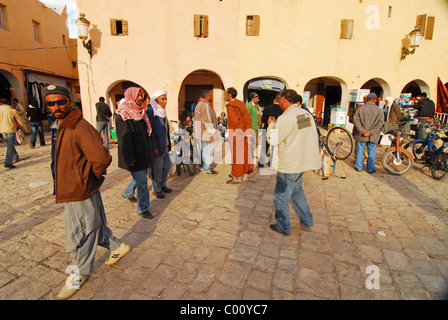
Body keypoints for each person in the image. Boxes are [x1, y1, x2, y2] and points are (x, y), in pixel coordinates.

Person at [43, 84, 130, 300]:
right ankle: (118, 246)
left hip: (79, 189)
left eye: (61, 102)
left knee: (81, 232)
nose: (56, 107)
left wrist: (91, 177)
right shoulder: (62, 124)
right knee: (94, 223)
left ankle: (80, 272)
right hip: (74, 187)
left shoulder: (78, 126)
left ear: (69, 100)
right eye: (51, 103)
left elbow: (101, 158)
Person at [266, 89, 321, 236]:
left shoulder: (286, 118)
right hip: (302, 161)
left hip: (290, 164)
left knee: (281, 197)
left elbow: (273, 139)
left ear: (284, 100)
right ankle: (307, 220)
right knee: (297, 192)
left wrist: (271, 125)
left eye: (280, 101)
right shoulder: (304, 114)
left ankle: (283, 226)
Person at [115, 87, 154, 219]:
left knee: (139, 178)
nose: (139, 98)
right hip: (134, 156)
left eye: (141, 96)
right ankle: (143, 208)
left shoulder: (141, 113)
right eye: (137, 96)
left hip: (144, 154)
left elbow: (146, 134)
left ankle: (127, 193)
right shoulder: (123, 114)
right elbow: (124, 140)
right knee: (143, 182)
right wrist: (130, 159)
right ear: (130, 96)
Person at [147, 90, 172, 199]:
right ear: (156, 100)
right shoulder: (150, 112)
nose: (165, 101)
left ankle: (163, 185)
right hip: (157, 146)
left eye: (166, 99)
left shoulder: (162, 112)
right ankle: (156, 189)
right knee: (157, 169)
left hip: (165, 145)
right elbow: (149, 131)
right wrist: (154, 147)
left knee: (166, 166)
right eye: (163, 99)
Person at [225, 87, 254, 184]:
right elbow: (247, 118)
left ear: (230, 95)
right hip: (244, 132)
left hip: (236, 133)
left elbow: (234, 121)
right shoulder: (241, 103)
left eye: (226, 94)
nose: (225, 96)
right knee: (242, 154)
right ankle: (238, 173)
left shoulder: (231, 106)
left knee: (236, 155)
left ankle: (236, 177)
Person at [353, 92, 384, 173]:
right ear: (375, 100)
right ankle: (370, 169)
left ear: (367, 100)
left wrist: (363, 131)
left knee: (360, 151)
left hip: (361, 135)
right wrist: (370, 132)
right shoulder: (379, 110)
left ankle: (359, 167)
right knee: (371, 152)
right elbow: (380, 122)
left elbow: (356, 121)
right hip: (373, 135)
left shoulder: (360, 109)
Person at [193, 90, 219, 175]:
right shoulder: (205, 105)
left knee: (203, 150)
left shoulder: (198, 105)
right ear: (207, 96)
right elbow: (207, 120)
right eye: (210, 96)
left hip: (200, 132)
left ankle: (202, 167)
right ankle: (206, 169)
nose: (211, 97)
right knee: (208, 150)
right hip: (206, 132)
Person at [0, 98, 29, 168]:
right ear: (8, 103)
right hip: (10, 130)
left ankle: (15, 157)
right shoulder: (12, 111)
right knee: (10, 146)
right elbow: (20, 121)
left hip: (2, 130)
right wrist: (25, 130)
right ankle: (8, 162)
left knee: (10, 145)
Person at [259, 94, 283, 167]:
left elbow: (263, 120)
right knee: (274, 147)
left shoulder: (267, 108)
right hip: (277, 130)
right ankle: (271, 162)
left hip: (267, 129)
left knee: (264, 147)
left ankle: (261, 162)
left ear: (274, 100)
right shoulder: (282, 110)